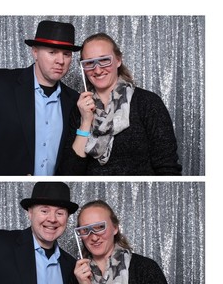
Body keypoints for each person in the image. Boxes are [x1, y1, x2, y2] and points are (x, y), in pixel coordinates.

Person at [0, 20, 80, 176]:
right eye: (52, 52)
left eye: (66, 54)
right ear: (35, 52)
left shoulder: (73, 100)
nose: (60, 61)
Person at [58, 32, 181, 176]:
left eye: (104, 60)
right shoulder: (80, 108)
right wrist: (85, 122)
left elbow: (168, 168)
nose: (97, 70)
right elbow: (70, 173)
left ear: (118, 60)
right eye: (89, 63)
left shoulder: (147, 102)